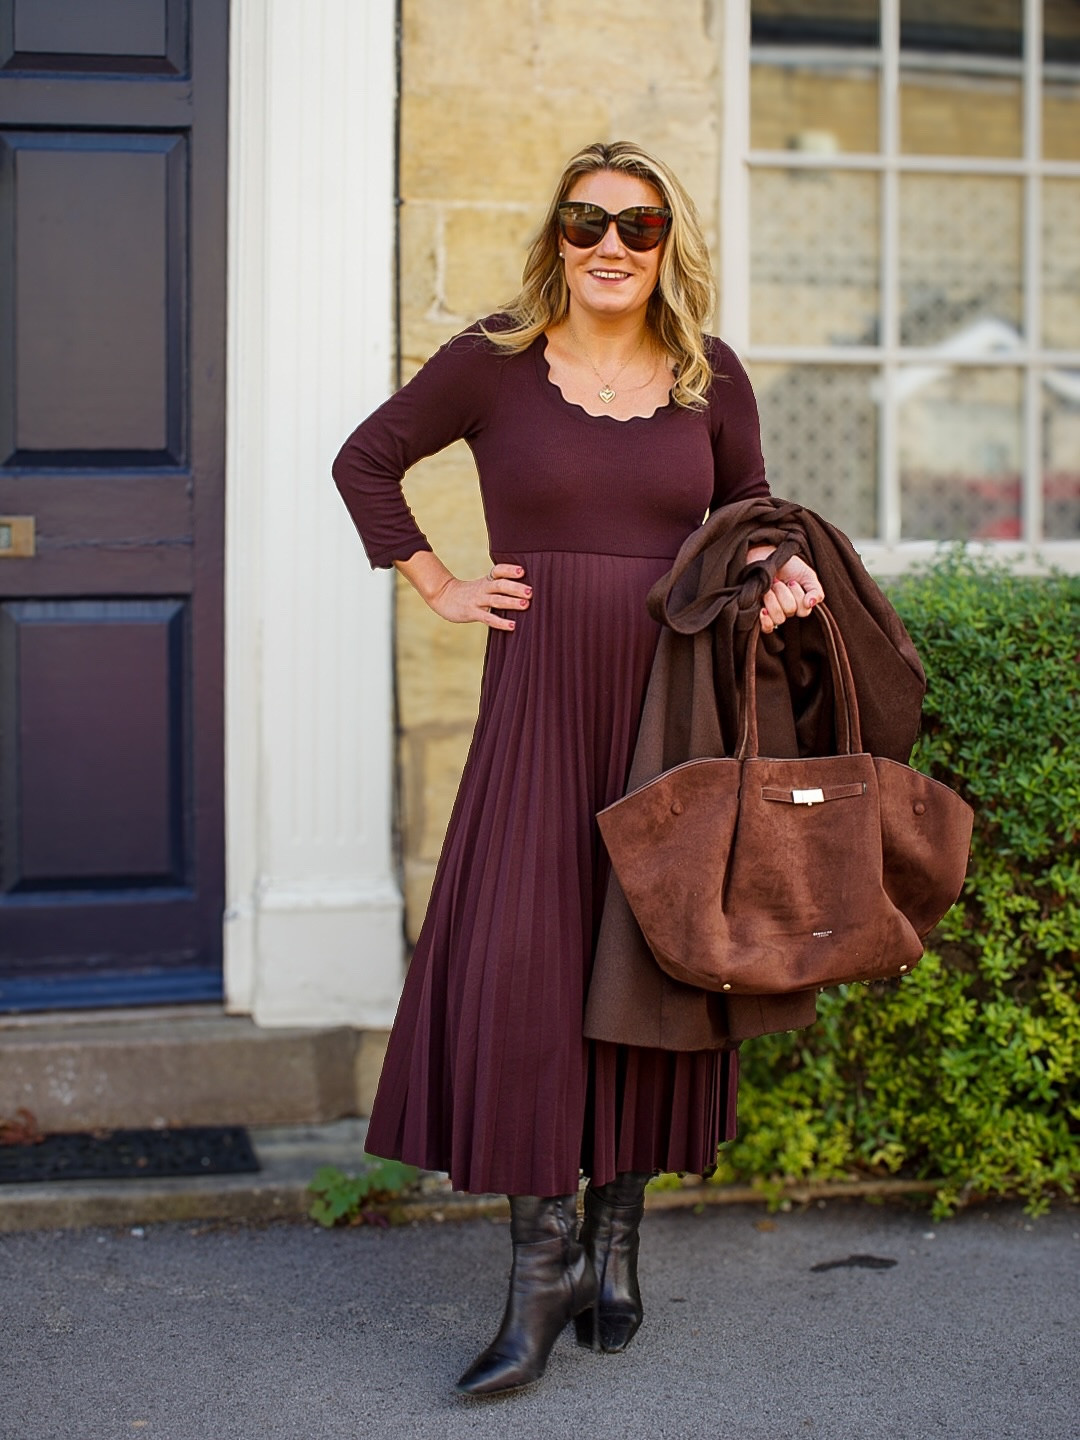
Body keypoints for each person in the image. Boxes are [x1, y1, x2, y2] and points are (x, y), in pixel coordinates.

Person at [332, 140, 824, 1398]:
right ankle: (540, 1273)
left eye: (640, 225)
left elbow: (749, 510)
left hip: (674, 706)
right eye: (587, 221)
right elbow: (365, 461)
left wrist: (775, 577)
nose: (612, 245)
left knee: (649, 954)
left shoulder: (712, 380)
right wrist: (437, 582)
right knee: (533, 962)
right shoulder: (491, 365)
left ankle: (616, 1244)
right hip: (541, 707)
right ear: (557, 236)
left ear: (671, 243)